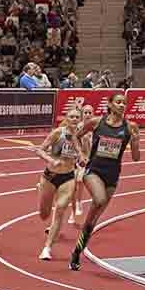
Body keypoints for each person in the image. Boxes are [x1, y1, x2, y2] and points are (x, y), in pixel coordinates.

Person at [69, 92, 141, 271]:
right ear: (109, 105)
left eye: (124, 103)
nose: (122, 105)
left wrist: (136, 141)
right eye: (118, 102)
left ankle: (77, 251)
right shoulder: (96, 123)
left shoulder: (130, 127)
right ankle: (80, 242)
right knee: (99, 200)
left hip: (112, 175)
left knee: (93, 219)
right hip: (93, 171)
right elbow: (75, 137)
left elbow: (136, 158)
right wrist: (82, 154)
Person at [31, 108, 85, 261]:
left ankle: (47, 248)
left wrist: (83, 160)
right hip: (50, 176)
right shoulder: (58, 133)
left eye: (77, 117)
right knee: (44, 215)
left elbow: (85, 156)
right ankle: (40, 190)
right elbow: (40, 150)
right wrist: (51, 160)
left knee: (60, 209)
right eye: (71, 117)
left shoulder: (83, 138)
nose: (74, 119)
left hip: (68, 177)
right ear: (67, 119)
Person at [70, 103, 95, 224]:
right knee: (74, 185)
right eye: (85, 112)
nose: (88, 115)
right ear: (82, 114)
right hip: (80, 158)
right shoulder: (79, 127)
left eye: (90, 113)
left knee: (80, 181)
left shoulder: (96, 127)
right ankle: (74, 209)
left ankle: (79, 203)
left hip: (92, 159)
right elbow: (74, 142)